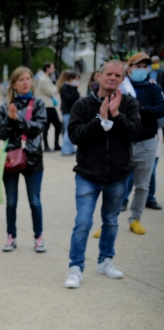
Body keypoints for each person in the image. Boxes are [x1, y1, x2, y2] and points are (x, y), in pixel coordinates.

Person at [64, 60, 142, 289]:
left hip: (118, 175)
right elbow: (75, 135)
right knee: (83, 222)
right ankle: (75, 267)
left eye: (118, 75)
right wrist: (100, 120)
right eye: (109, 74)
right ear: (99, 76)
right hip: (88, 175)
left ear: (122, 78)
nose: (113, 78)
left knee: (110, 221)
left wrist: (117, 115)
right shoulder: (82, 105)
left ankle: (105, 261)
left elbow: (134, 133)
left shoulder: (129, 104)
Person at [0, 66, 48, 253]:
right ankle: (11, 236)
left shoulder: (39, 104)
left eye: (28, 78)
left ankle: (39, 236)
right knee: (11, 202)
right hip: (10, 160)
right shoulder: (4, 107)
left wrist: (17, 119)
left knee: (34, 200)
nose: (26, 82)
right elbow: (1, 135)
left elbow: (38, 127)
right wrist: (10, 119)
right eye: (21, 79)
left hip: (33, 158)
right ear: (14, 84)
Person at [120, 53, 164, 234]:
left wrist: (141, 109)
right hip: (124, 142)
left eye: (144, 66)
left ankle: (135, 219)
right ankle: (109, 220)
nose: (142, 69)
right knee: (117, 183)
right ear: (129, 68)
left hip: (147, 142)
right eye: (137, 66)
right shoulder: (121, 87)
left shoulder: (154, 88)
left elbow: (161, 109)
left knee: (142, 185)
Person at [36, 62, 62, 152]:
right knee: (46, 127)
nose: (53, 70)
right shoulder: (43, 79)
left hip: (50, 106)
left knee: (58, 125)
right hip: (46, 106)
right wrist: (56, 87)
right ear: (47, 68)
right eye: (52, 68)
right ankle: (46, 146)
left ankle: (56, 145)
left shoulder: (46, 78)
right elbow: (51, 91)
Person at [57, 70, 81, 156]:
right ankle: (65, 149)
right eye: (75, 79)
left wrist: (75, 89)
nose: (76, 81)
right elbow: (69, 98)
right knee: (67, 130)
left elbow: (77, 97)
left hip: (72, 111)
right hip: (67, 111)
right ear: (70, 79)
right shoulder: (64, 87)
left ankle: (71, 148)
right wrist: (74, 88)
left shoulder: (71, 87)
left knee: (71, 130)